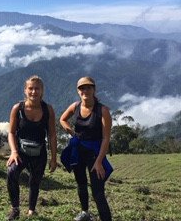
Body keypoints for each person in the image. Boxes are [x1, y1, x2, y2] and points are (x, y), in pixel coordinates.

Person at [59, 76, 112, 221]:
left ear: (94, 89)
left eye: (88, 87)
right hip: (78, 151)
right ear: (78, 91)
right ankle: (85, 213)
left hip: (95, 153)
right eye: (82, 88)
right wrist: (71, 132)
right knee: (81, 184)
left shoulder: (103, 111)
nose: (85, 90)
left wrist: (100, 161)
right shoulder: (75, 106)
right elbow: (62, 119)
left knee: (97, 192)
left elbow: (105, 138)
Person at [6, 75, 57, 220]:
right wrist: (14, 152)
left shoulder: (48, 110)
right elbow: (11, 132)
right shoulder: (18, 108)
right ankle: (15, 209)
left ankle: (31, 210)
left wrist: (54, 158)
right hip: (20, 152)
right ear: (25, 90)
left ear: (42, 91)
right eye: (31, 88)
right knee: (11, 173)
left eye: (37, 89)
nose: (34, 92)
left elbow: (52, 135)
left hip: (39, 153)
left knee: (35, 181)